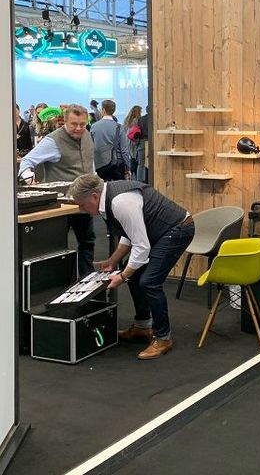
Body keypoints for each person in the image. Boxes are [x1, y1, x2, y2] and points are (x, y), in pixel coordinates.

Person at [68, 174, 195, 359]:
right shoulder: (111, 199)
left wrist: (122, 276)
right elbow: (129, 234)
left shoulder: (121, 203)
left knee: (149, 282)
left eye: (82, 204)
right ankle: (143, 326)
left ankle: (163, 338)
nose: (81, 209)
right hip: (160, 231)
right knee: (136, 277)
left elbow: (141, 246)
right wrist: (113, 260)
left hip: (178, 229)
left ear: (94, 196)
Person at [18, 104, 96, 276]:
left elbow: (90, 164)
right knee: (55, 246)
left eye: (82, 124)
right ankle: (56, 282)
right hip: (60, 205)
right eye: (74, 124)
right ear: (65, 121)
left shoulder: (87, 136)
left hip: (85, 202)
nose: (78, 128)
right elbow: (26, 162)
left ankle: (86, 279)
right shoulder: (52, 141)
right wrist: (30, 180)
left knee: (87, 241)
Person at [90, 99, 130, 181]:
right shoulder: (119, 127)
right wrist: (128, 167)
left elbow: (91, 147)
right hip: (117, 164)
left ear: (103, 110)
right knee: (119, 187)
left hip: (100, 164)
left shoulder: (94, 127)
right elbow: (124, 150)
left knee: (102, 187)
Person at [124, 105, 142, 179]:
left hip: (128, 141)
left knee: (132, 158)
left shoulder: (127, 120)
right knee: (136, 160)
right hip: (134, 142)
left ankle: (131, 175)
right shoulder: (137, 121)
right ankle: (135, 177)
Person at [136, 104, 150, 182]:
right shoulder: (155, 118)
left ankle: (140, 181)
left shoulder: (140, 119)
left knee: (141, 163)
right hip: (152, 142)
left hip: (142, 142)